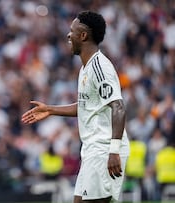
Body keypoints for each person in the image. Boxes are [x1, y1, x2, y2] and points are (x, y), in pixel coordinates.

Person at [22, 11, 130, 203]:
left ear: (83, 35)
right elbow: (86, 106)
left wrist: (113, 151)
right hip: (91, 150)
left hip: (103, 148)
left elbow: (118, 106)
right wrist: (50, 109)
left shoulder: (100, 67)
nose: (68, 35)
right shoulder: (85, 68)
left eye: (72, 31)